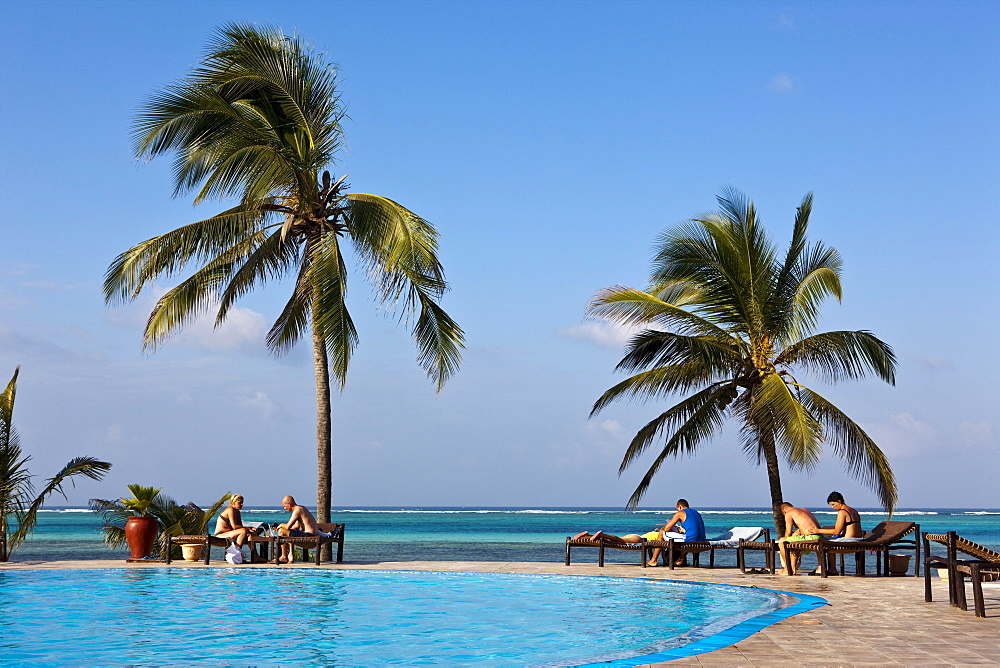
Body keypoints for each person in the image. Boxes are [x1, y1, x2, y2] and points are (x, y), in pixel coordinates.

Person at [571, 499, 707, 567]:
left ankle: (594, 537)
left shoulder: (680, 513)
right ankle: (600, 536)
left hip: (643, 538)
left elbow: (665, 530)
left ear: (679, 507)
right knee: (620, 540)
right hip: (643, 539)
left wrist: (672, 529)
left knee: (618, 540)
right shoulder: (695, 513)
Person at [813, 491, 864, 575]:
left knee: (822, 542)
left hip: (849, 541)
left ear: (839, 501)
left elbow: (836, 531)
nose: (832, 507)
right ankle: (832, 569)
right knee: (830, 540)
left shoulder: (842, 512)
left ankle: (826, 568)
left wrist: (817, 530)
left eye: (833, 504)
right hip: (859, 539)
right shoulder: (853, 510)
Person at [776, 501, 823, 575]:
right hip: (819, 536)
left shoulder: (789, 513)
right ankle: (793, 568)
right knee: (796, 538)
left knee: (782, 541)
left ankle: (787, 568)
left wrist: (787, 542)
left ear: (783, 511)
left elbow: (788, 531)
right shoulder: (804, 510)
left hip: (810, 538)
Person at [277, 495, 319, 564]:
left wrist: (281, 525)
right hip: (310, 534)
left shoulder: (297, 510)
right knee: (288, 532)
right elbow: (296, 526)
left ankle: (284, 556)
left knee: (281, 531)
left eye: (284, 506)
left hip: (309, 536)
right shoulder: (301, 508)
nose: (284, 508)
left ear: (289, 504)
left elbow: (288, 526)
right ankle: (290, 555)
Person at [215, 494, 253, 558]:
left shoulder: (237, 512)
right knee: (243, 531)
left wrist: (250, 530)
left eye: (242, 503)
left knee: (249, 534)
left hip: (229, 533)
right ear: (233, 502)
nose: (241, 504)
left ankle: (255, 556)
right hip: (221, 535)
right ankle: (236, 554)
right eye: (239, 503)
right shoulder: (230, 510)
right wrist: (249, 527)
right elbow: (234, 526)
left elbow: (240, 526)